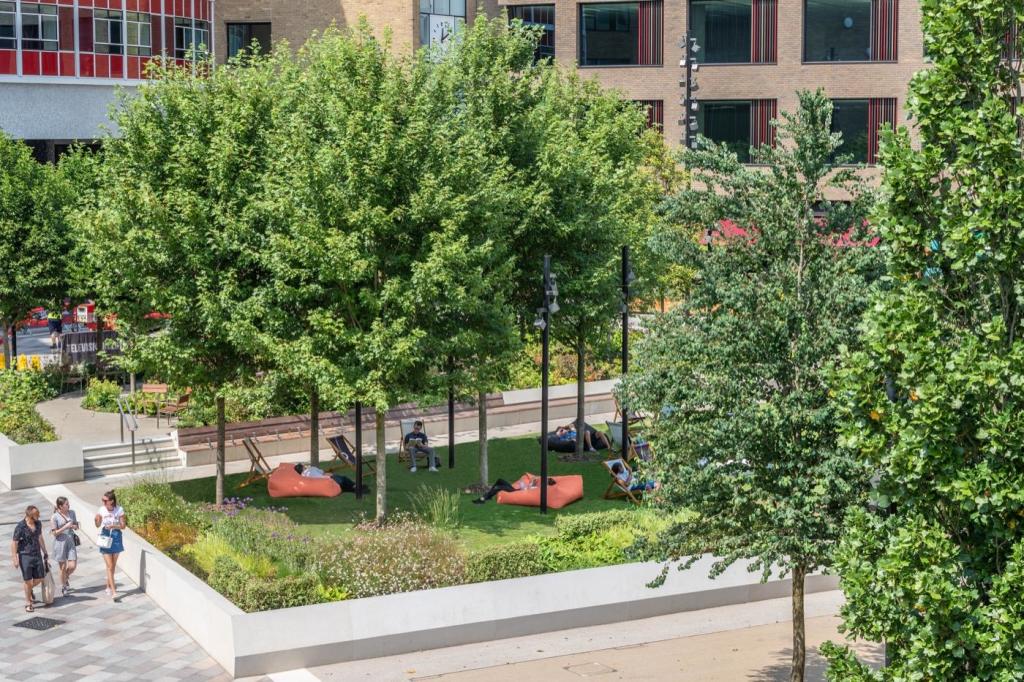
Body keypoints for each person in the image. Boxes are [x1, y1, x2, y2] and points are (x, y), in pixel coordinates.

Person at [10, 505, 48, 612]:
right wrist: (15, 558)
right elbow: (14, 543)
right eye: (36, 514)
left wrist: (45, 552)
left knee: (40, 577)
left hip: (37, 554)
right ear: (30, 515)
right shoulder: (20, 527)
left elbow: (40, 537)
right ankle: (28, 602)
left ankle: (29, 589)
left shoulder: (38, 523)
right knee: (27, 580)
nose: (38, 516)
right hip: (25, 555)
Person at [94, 490, 126, 600]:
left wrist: (113, 526)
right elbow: (98, 525)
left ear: (111, 501)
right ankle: (114, 591)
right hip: (105, 537)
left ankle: (108, 585)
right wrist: (96, 520)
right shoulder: (101, 509)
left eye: (105, 500)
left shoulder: (119, 510)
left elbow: (123, 526)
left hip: (116, 537)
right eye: (102, 500)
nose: (103, 502)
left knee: (113, 565)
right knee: (109, 565)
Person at [51, 496, 79, 597]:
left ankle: (65, 577)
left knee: (72, 566)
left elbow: (76, 525)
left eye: (68, 503)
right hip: (60, 543)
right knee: (62, 567)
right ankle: (64, 586)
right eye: (66, 504)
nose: (68, 505)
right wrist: (65, 527)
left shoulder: (72, 513)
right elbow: (54, 533)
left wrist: (74, 526)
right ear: (60, 506)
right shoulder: (54, 517)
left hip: (71, 541)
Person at [473, 474, 556, 504]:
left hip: (517, 492)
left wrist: (531, 485)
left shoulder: (543, 489)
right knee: (500, 480)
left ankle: (483, 499)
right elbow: (529, 488)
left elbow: (529, 491)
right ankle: (488, 496)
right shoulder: (540, 486)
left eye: (546, 481)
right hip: (517, 490)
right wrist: (532, 482)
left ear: (548, 483)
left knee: (499, 487)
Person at [293, 463, 369, 495]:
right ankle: (356, 486)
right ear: (303, 467)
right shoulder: (311, 469)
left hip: (322, 486)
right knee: (344, 479)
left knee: (344, 487)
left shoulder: (303, 478)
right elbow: (323, 473)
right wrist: (333, 475)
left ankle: (355, 488)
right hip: (328, 481)